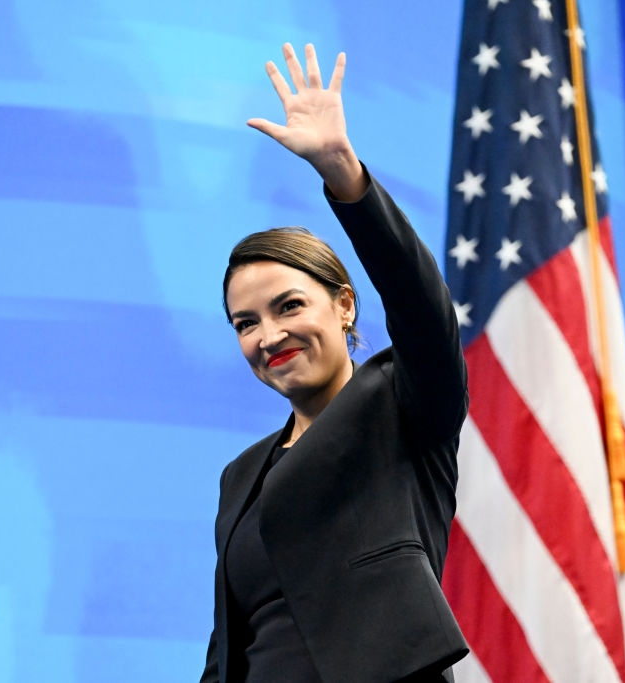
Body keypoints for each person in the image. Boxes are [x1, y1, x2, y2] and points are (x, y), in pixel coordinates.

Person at [202, 43, 469, 683]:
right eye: (246, 323)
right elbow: (229, 649)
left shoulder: (404, 405)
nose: (270, 335)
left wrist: (344, 175)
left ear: (344, 306)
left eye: (289, 305)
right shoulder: (241, 475)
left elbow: (422, 306)